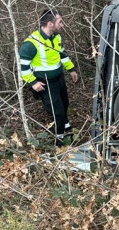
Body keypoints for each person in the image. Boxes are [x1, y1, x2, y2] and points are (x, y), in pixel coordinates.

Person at [20, 9, 78, 144]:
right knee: (56, 112)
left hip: (59, 79)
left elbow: (62, 55)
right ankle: (59, 143)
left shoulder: (56, 37)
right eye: (60, 22)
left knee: (64, 105)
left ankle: (67, 129)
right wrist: (33, 83)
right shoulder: (31, 43)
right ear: (50, 24)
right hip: (45, 82)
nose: (62, 25)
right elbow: (23, 67)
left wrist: (71, 69)